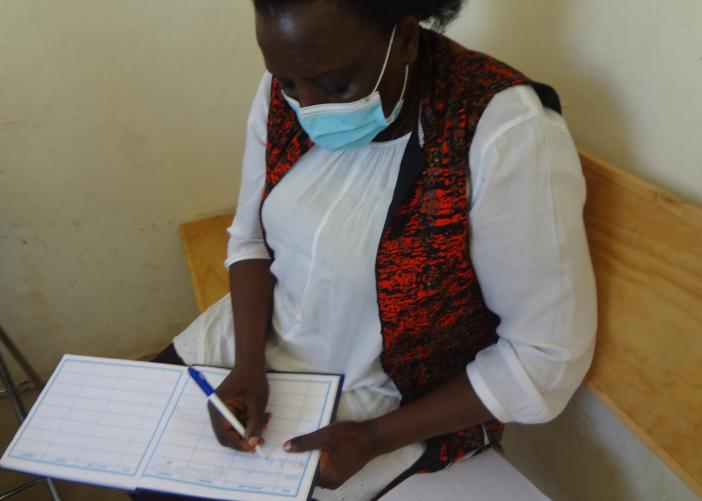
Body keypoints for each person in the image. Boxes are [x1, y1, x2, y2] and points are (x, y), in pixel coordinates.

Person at [143, 1, 597, 499]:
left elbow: (544, 356)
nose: (308, 109)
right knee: (137, 453)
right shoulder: (292, 81)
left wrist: (377, 436)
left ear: (404, 38)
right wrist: (249, 363)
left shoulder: (501, 132)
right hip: (256, 339)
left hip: (392, 401)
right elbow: (251, 239)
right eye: (290, 84)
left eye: (336, 86)